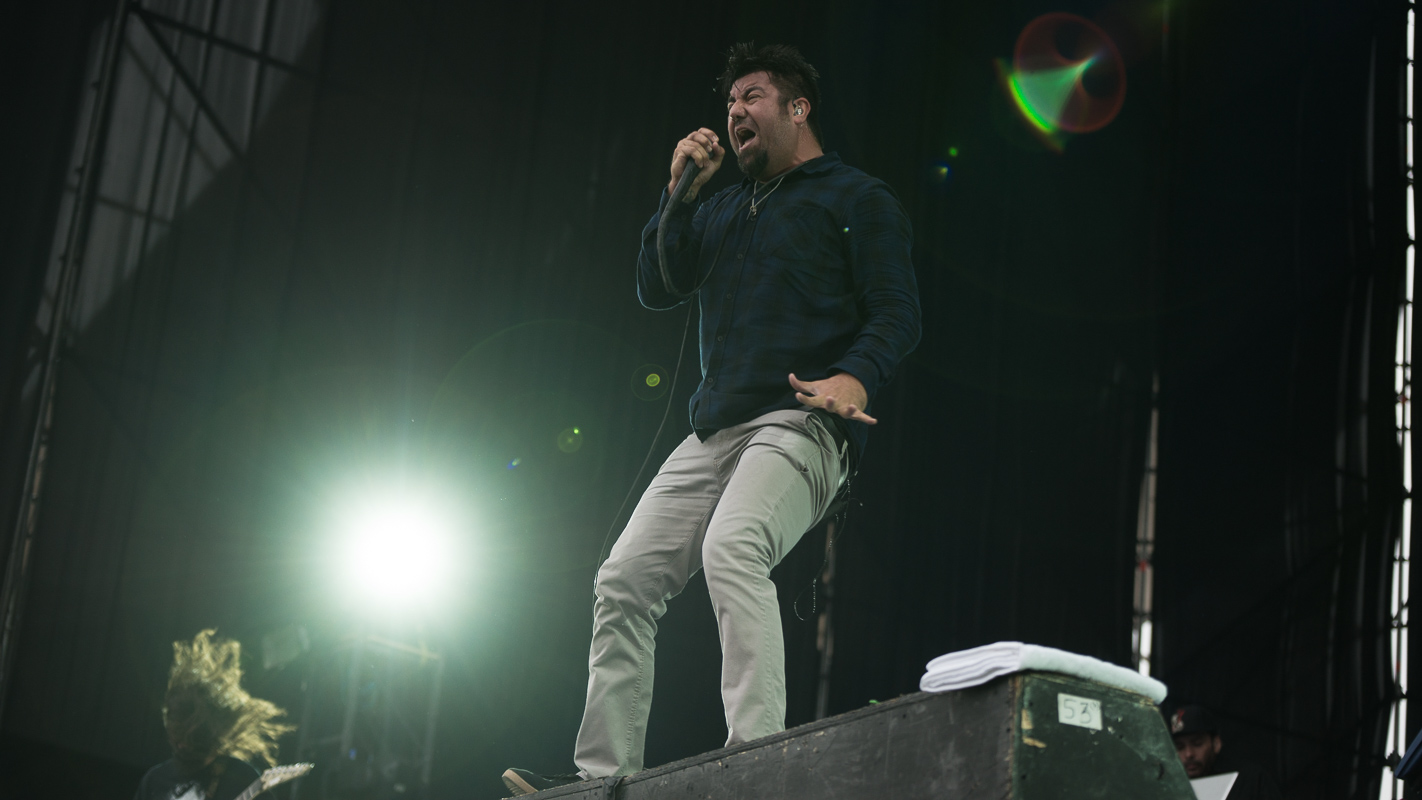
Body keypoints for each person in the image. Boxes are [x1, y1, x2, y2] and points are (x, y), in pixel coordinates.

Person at [503, 42, 921, 795]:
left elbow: (898, 311)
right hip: (714, 431)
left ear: (798, 108)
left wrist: (855, 376)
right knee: (623, 580)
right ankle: (602, 776)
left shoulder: (856, 197)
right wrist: (679, 194)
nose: (734, 113)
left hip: (799, 421)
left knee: (733, 547)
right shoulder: (724, 205)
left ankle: (757, 762)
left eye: (752, 96)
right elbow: (658, 286)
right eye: (730, 103)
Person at [134, 629, 295, 800]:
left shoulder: (243, 780)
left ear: (213, 731)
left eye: (192, 739)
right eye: (178, 742)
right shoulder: (155, 780)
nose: (182, 747)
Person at [1169, 705, 1282, 800]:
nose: (1189, 754)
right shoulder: (1167, 787)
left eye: (1197, 743)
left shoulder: (1250, 780)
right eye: (1179, 747)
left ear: (1216, 744)